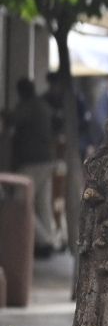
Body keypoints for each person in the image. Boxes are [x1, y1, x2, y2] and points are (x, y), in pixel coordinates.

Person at [4, 78, 60, 256]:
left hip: (32, 162)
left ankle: (43, 241)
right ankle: (49, 240)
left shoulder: (29, 106)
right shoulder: (42, 105)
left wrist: (3, 112)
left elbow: (14, 118)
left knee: (21, 202)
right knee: (43, 204)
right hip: (47, 160)